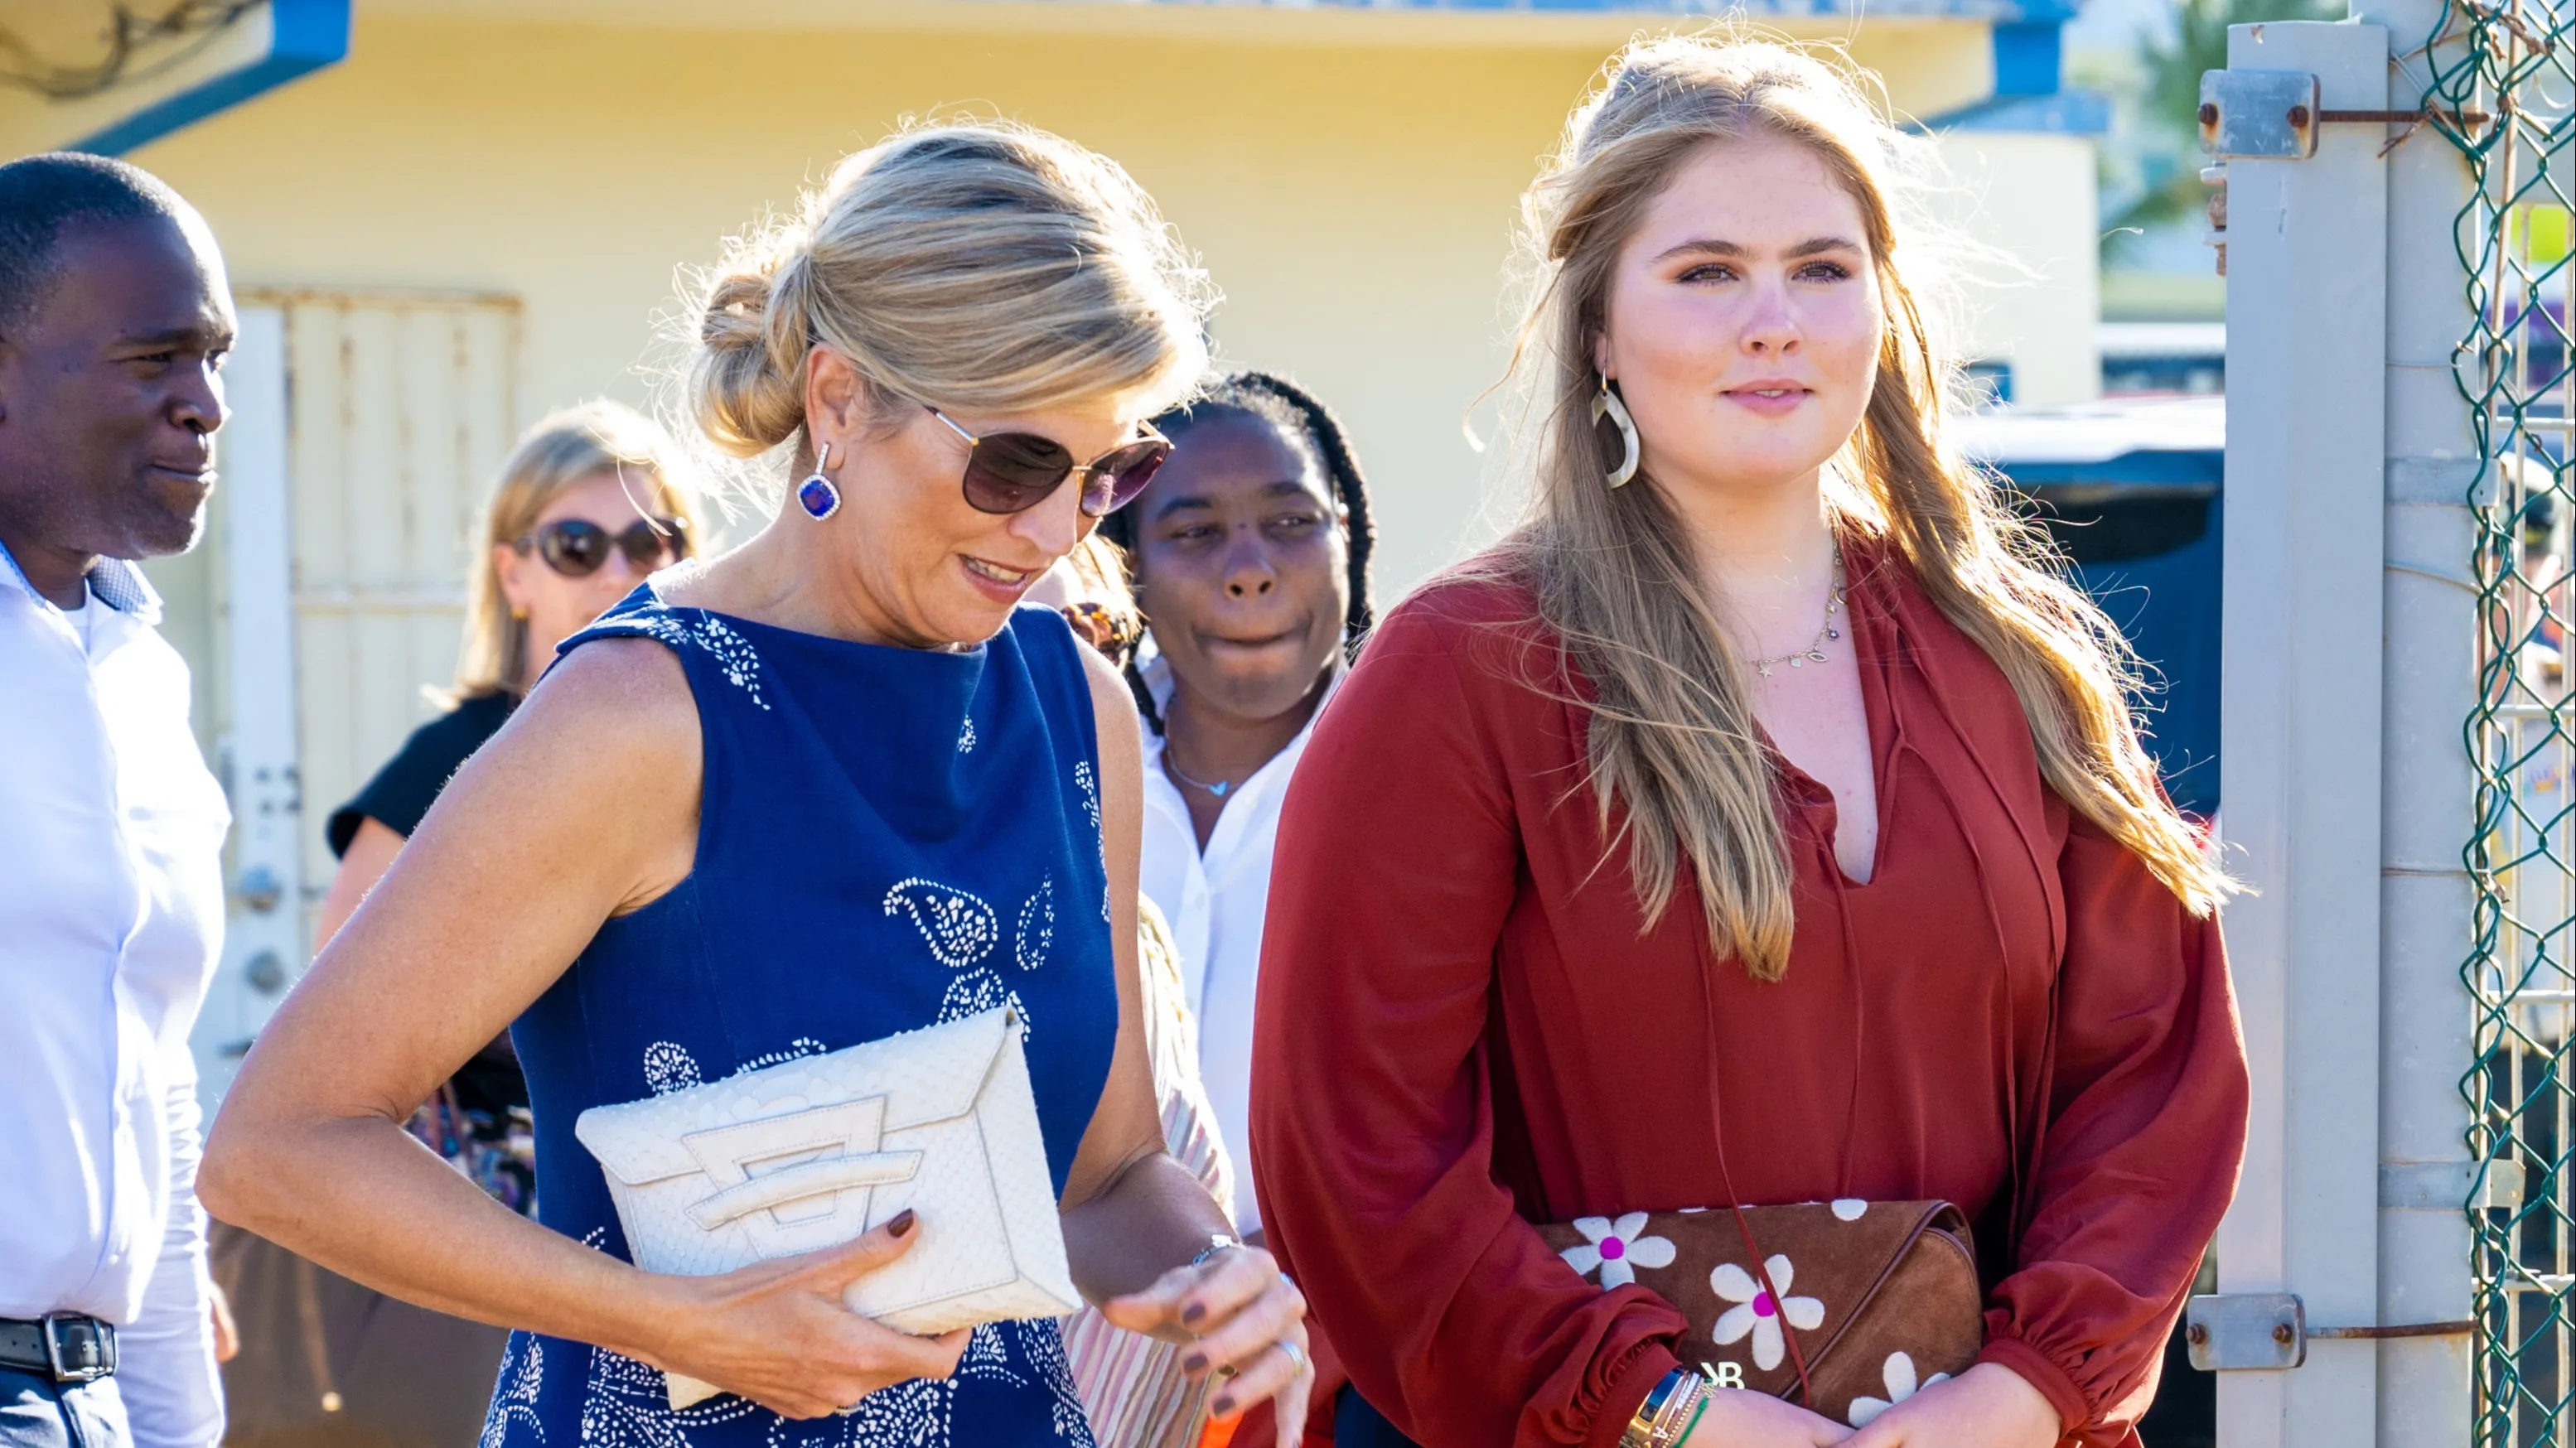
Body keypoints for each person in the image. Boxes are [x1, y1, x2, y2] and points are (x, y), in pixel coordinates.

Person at [198, 121, 1309, 1447]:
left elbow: (1108, 1172)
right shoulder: (639, 715)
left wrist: (1212, 1273)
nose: (1055, 528)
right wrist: (677, 1323)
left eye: (1109, 473)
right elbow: (278, 1147)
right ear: (838, 402)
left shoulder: (1077, 705)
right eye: (1013, 463)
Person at [1251, 36, 2248, 1448]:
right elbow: (1356, 1148)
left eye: (1820, 268)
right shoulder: (1459, 675)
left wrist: (2021, 1392)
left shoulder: (2015, 660)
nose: (1772, 321)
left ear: (1880, 308)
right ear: (1597, 328)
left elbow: (2152, 1074)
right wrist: (1665, 1415)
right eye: (1707, 271)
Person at [210, 401, 706, 1446]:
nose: (619, 570)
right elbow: (342, 993)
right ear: (514, 574)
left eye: (651, 541)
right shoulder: (464, 754)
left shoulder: (717, 746)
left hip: (678, 1204)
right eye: (578, 545)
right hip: (496, 1216)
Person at [0, 153, 237, 1448]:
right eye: (155, 360)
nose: (205, 405)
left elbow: (148, 1080)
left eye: (214, 360)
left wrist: (176, 1427)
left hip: (89, 1398)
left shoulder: (139, 670)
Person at [1093, 371, 1375, 1243]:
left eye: (1291, 522)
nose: (1250, 570)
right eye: (1193, 532)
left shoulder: (1428, 774)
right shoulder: (1065, 767)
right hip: (1087, 1308)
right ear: (1129, 565)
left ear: (1347, 534)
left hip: (1358, 1312)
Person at [1032, 540, 1240, 1448]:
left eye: (1087, 630)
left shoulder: (1129, 928)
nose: (1064, 679)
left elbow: (1111, 1185)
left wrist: (1221, 1276)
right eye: (1009, 641)